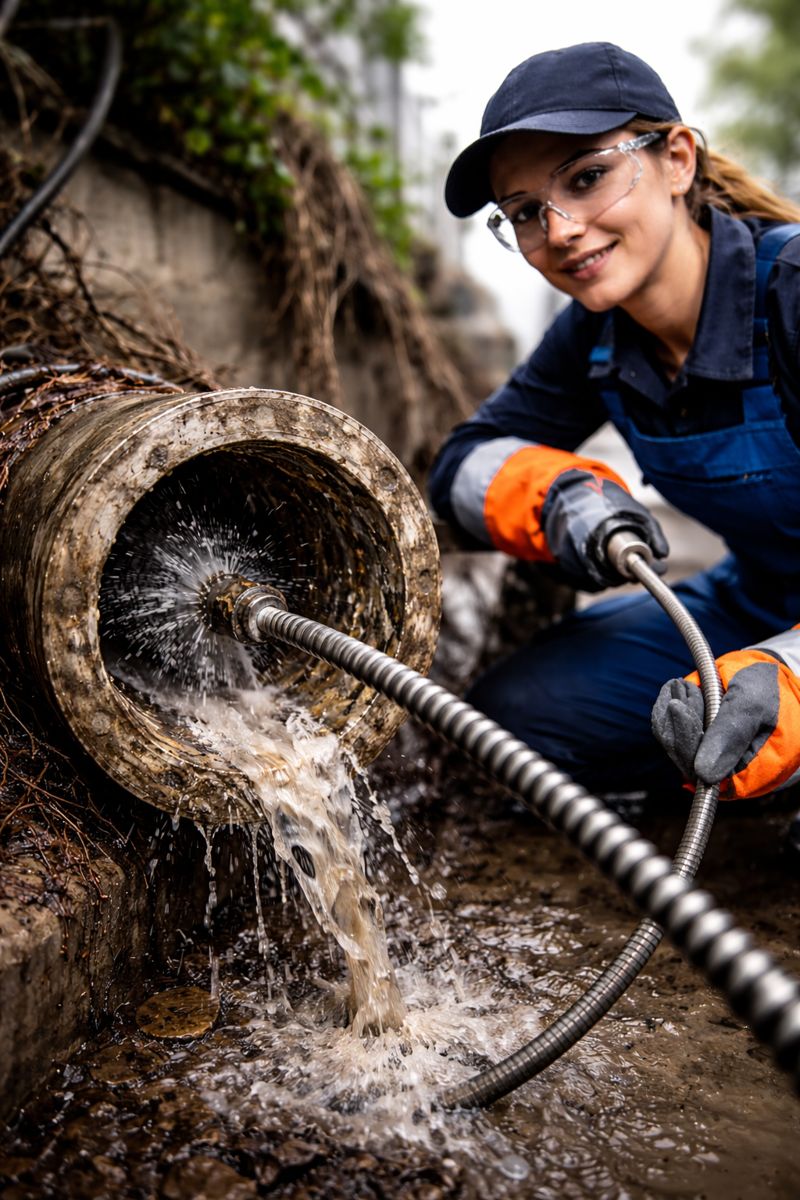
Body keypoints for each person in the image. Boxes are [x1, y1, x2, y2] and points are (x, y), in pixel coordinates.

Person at [428, 41, 800, 812]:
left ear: (677, 160)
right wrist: (559, 494)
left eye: (587, 178)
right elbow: (461, 462)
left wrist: (785, 678)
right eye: (526, 212)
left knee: (769, 724)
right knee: (509, 729)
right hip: (761, 602)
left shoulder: (791, 292)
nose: (559, 231)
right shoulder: (595, 335)